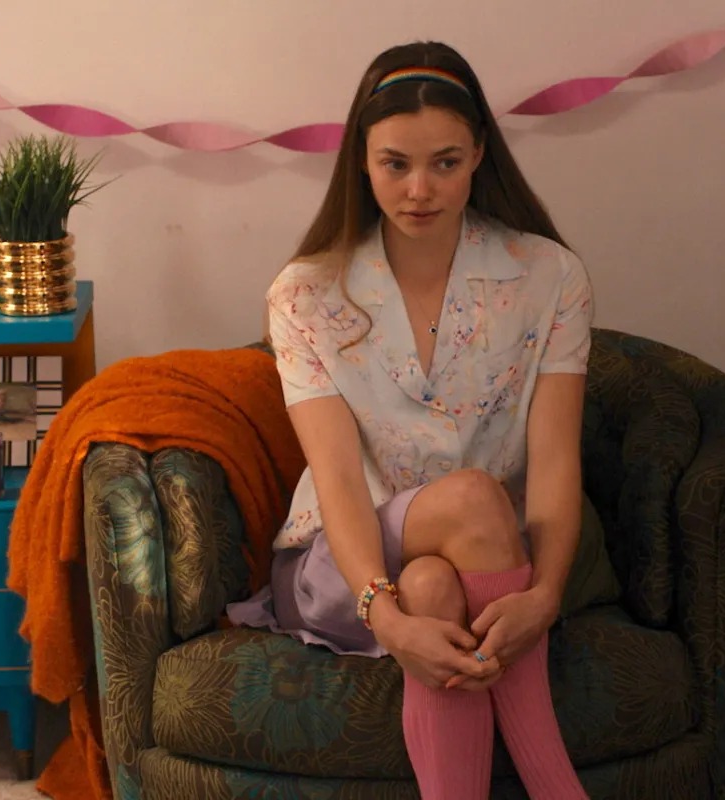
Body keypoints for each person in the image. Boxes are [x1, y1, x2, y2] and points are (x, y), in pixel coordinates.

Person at [227, 40, 593, 799]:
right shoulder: (303, 294)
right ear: (361, 163)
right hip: (342, 564)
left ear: (479, 155)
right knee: (472, 500)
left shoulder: (549, 277)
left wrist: (545, 595)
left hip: (487, 563)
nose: (419, 189)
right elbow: (337, 478)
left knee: (433, 581)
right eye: (395, 164)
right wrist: (385, 618)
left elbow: (557, 459)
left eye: (445, 163)